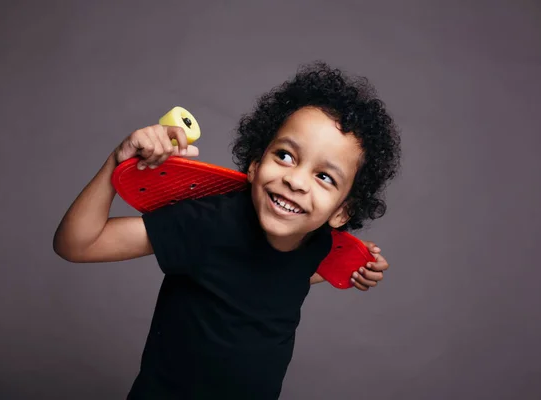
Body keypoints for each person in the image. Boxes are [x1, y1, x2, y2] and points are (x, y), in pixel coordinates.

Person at [53, 61, 401, 399]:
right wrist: (118, 160)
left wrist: (357, 264)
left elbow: (280, 278)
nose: (295, 180)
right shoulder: (207, 223)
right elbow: (79, 245)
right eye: (285, 156)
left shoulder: (315, 243)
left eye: (324, 177)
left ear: (341, 211)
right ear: (255, 163)